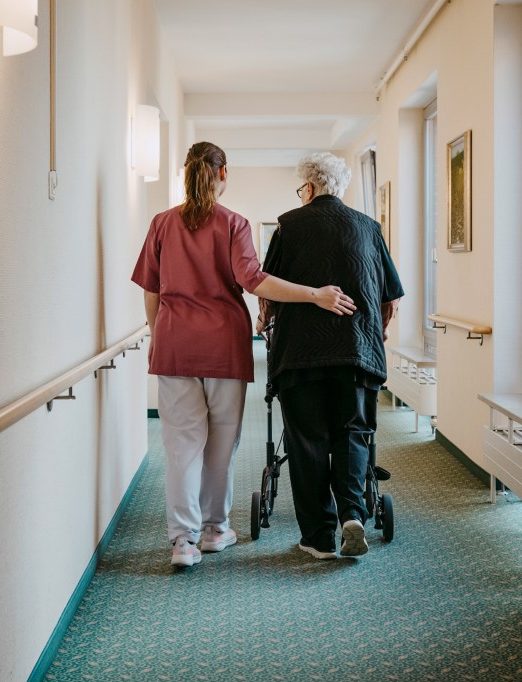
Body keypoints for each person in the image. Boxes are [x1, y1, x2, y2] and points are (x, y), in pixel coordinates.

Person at [131, 141, 357, 568]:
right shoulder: (233, 223)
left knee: (180, 446)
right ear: (223, 175)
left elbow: (151, 289)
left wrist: (156, 334)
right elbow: (254, 281)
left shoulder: (162, 223)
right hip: (223, 346)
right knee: (221, 444)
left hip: (176, 344)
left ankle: (183, 542)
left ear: (186, 174)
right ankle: (216, 530)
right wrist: (314, 295)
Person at [257, 152, 403, 560]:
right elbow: (391, 298)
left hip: (300, 355)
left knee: (307, 442)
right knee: (353, 433)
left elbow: (266, 288)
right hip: (356, 353)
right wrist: (379, 330)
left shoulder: (287, 226)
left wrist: (263, 321)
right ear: (339, 187)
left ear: (308, 187)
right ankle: (352, 515)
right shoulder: (369, 228)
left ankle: (318, 538)